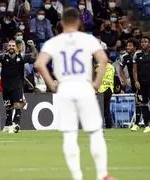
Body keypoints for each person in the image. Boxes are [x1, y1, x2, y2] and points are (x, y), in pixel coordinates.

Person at [34, 8, 115, 180]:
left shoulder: (53, 42)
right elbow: (103, 60)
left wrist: (51, 84)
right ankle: (102, 175)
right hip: (84, 86)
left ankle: (77, 176)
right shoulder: (88, 39)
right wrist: (96, 83)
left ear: (62, 22)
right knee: (95, 132)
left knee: (70, 134)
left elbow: (39, 64)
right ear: (79, 22)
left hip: (65, 88)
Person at [0, 39, 36, 133]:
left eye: (13, 46)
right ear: (7, 47)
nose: (11, 47)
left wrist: (32, 46)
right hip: (5, 85)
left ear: (16, 47)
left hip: (17, 84)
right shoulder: (3, 56)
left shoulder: (21, 57)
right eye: (10, 45)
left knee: (18, 104)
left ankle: (16, 123)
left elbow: (34, 56)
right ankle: (8, 124)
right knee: (8, 107)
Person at [132, 36, 150, 133]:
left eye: (145, 42)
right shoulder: (137, 54)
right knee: (143, 103)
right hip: (141, 82)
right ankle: (146, 124)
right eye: (142, 42)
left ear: (149, 43)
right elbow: (134, 70)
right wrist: (136, 81)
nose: (143, 43)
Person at [96, 62, 115, 128]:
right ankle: (109, 125)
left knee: (100, 108)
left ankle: (99, 125)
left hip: (102, 89)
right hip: (109, 88)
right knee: (107, 108)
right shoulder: (112, 67)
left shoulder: (99, 66)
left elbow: (95, 75)